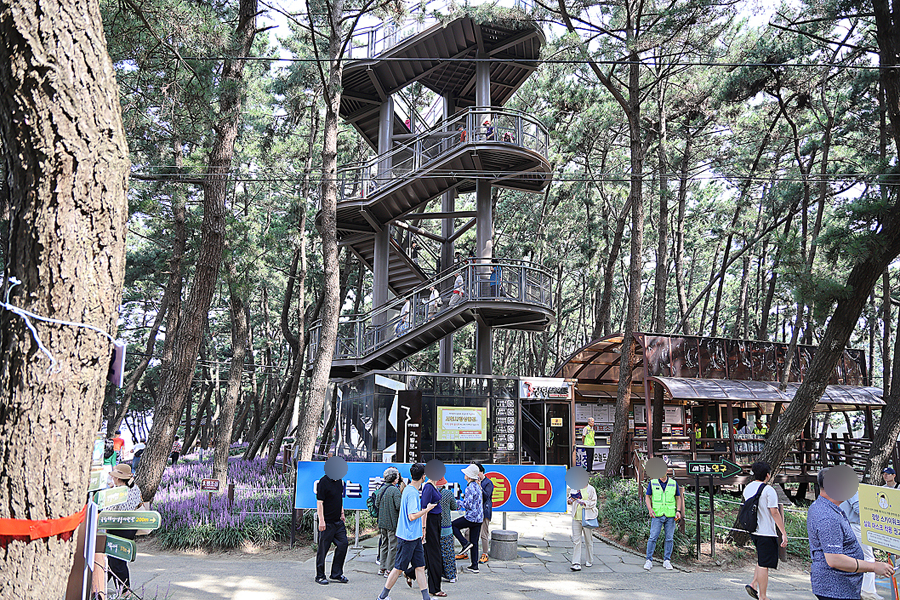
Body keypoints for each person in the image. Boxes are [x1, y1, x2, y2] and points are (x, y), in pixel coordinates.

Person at [808, 468, 893, 600]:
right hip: (836, 588)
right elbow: (834, 559)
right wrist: (874, 567)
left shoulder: (820, 506)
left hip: (835, 586)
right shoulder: (828, 517)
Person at [377, 462, 436, 600]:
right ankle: (382, 596)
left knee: (420, 567)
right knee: (398, 568)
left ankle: (426, 597)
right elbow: (412, 516)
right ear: (423, 477)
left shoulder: (409, 490)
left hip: (413, 536)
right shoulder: (412, 493)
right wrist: (426, 509)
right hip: (408, 537)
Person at [743, 462, 787, 600]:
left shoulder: (748, 488)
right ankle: (762, 596)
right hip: (766, 532)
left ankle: (753, 584)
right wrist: (783, 532)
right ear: (767, 475)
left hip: (754, 530)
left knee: (762, 559)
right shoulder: (769, 490)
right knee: (764, 565)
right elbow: (774, 512)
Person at [105, 464, 144, 594]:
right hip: (130, 528)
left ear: (118, 478)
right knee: (114, 559)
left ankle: (124, 590)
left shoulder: (118, 493)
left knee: (116, 560)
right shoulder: (134, 488)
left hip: (118, 527)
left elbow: (109, 511)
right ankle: (101, 586)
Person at [840, 490, 883, 600]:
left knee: (850, 557)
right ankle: (868, 591)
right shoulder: (852, 489)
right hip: (855, 525)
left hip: (845, 524)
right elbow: (858, 508)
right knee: (868, 557)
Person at [643, 464, 684, 570]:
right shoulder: (653, 482)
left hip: (670, 515)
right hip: (657, 514)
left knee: (669, 538)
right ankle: (649, 560)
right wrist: (650, 509)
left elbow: (678, 498)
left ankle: (667, 560)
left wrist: (678, 511)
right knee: (653, 537)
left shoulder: (673, 483)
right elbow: (647, 496)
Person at [315, 465, 349, 584]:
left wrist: (342, 512)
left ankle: (336, 573)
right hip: (327, 522)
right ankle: (320, 576)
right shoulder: (323, 483)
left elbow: (339, 499)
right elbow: (320, 503)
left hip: (338, 522)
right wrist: (321, 520)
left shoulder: (340, 482)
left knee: (343, 544)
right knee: (323, 550)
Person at [452, 464, 484, 574]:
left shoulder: (470, 487)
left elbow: (468, 504)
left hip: (471, 517)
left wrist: (459, 502)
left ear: (469, 476)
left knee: (453, 525)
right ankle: (474, 565)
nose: (464, 475)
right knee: (474, 541)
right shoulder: (478, 486)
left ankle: (464, 543)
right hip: (479, 518)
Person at [419, 474, 446, 597]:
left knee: (429, 553)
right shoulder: (428, 487)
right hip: (430, 522)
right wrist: (423, 528)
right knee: (434, 554)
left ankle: (410, 573)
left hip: (435, 521)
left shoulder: (433, 486)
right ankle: (434, 588)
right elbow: (424, 508)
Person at [377, 467, 403, 577]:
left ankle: (382, 567)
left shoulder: (381, 489)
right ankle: (390, 569)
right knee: (393, 546)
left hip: (382, 522)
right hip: (392, 522)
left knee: (384, 544)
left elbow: (377, 504)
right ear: (394, 479)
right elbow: (399, 506)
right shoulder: (395, 490)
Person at [568, 479, 597, 571]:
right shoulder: (574, 488)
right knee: (576, 541)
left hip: (587, 518)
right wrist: (571, 500)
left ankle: (589, 559)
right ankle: (576, 562)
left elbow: (593, 502)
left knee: (588, 540)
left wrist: (584, 503)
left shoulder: (591, 489)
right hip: (576, 517)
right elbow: (569, 501)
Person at [474, 462, 494, 564]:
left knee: (483, 533)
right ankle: (466, 551)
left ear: (482, 472)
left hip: (485, 511)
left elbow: (486, 496)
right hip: (475, 511)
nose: (477, 475)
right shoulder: (474, 482)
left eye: (478, 473)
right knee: (468, 532)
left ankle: (485, 554)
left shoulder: (488, 483)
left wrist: (480, 487)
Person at [438, 483, 458, 584]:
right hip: (446, 526)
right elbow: (454, 507)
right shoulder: (448, 493)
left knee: (436, 552)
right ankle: (451, 575)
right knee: (448, 552)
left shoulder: (429, 492)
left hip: (434, 527)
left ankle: (438, 573)